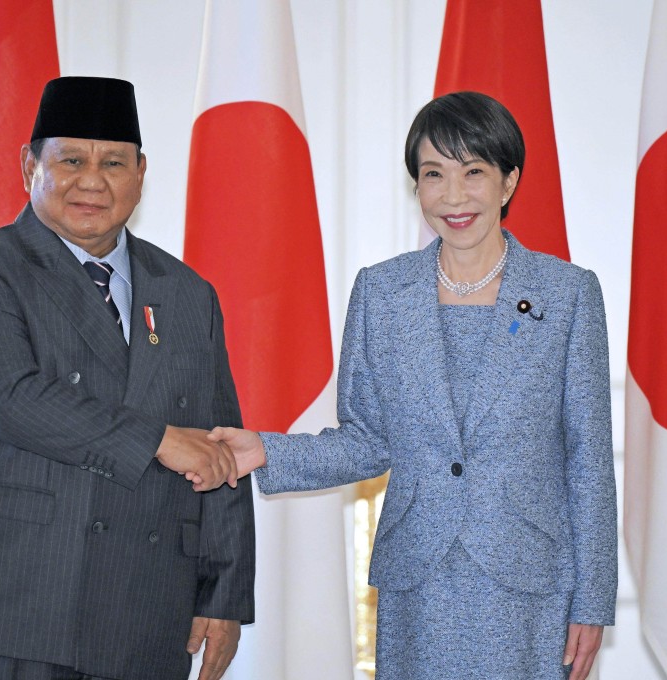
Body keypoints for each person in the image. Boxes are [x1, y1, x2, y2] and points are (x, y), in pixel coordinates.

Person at [208, 91, 616, 679]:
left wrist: (592, 600)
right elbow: (368, 441)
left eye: (474, 172)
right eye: (434, 175)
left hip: (530, 583)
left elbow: (589, 460)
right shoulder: (381, 293)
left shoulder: (569, 294)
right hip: (418, 581)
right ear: (416, 186)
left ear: (508, 182)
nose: (454, 196)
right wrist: (267, 449)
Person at [0, 76, 255, 680]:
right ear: (28, 164)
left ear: (141, 174)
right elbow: (10, 398)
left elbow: (219, 443)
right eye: (71, 160)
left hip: (144, 612)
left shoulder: (189, 294)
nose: (92, 181)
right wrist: (159, 440)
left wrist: (222, 597)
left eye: (114, 162)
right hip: (8, 606)